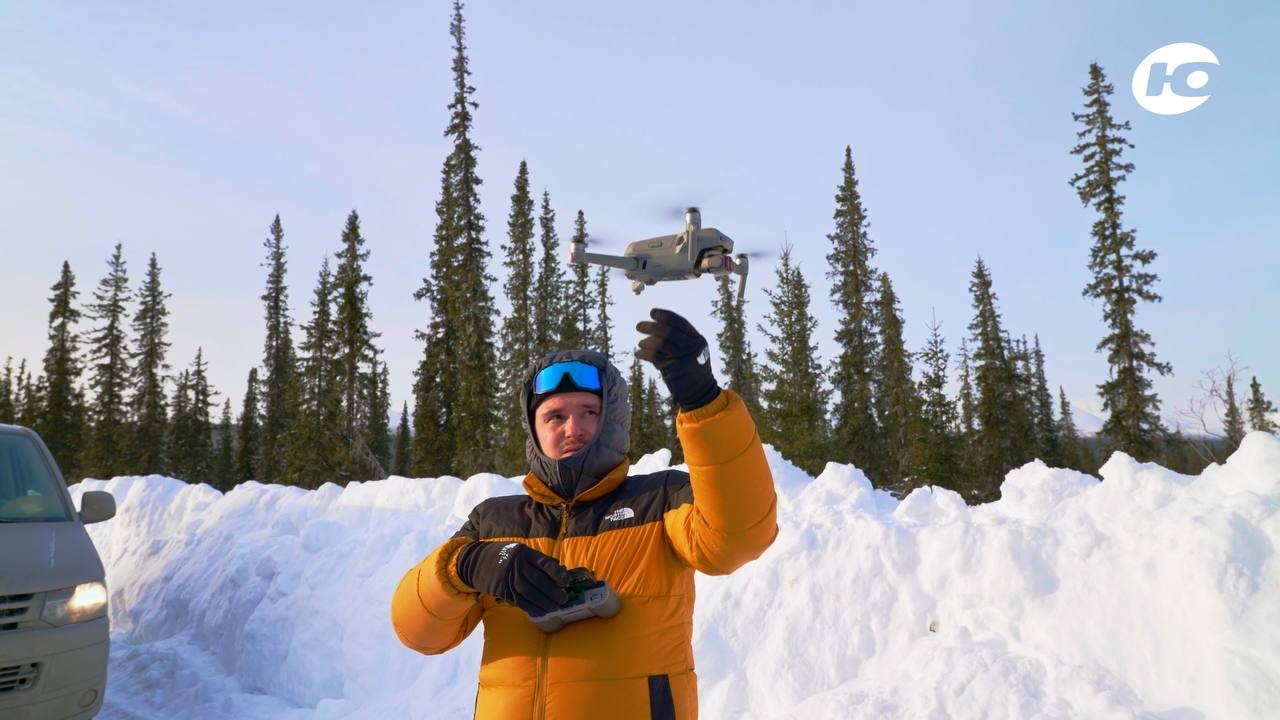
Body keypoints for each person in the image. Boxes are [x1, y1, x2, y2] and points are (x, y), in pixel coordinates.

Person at [390, 308, 777, 719]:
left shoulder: (660, 499)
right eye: (555, 416)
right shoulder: (494, 522)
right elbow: (418, 633)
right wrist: (466, 566)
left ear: (612, 420)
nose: (572, 428)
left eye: (589, 413)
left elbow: (738, 537)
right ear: (534, 429)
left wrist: (704, 402)